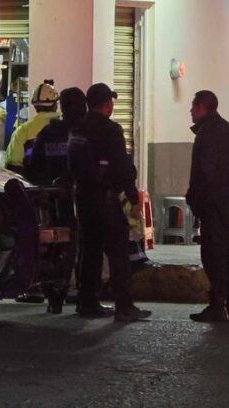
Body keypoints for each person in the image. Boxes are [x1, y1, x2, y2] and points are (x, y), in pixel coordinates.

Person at [69, 82, 151, 323]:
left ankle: (88, 302)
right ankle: (124, 306)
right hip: (106, 198)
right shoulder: (110, 129)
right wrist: (133, 195)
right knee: (118, 252)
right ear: (107, 103)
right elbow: (122, 166)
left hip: (84, 198)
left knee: (90, 251)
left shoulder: (77, 129)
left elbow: (72, 163)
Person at [24, 87, 87, 313]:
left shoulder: (48, 133)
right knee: (80, 247)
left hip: (51, 202)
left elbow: (32, 165)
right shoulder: (83, 132)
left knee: (55, 247)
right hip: (78, 200)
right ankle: (82, 295)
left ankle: (55, 296)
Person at [186, 90, 229, 323]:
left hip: (213, 205)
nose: (190, 111)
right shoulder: (227, 130)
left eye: (193, 106)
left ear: (201, 108)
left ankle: (218, 306)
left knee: (213, 255)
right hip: (226, 203)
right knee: (225, 255)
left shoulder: (208, 134)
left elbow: (205, 174)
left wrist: (196, 201)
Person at [5, 80, 60, 174]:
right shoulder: (69, 128)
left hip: (33, 185)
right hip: (65, 186)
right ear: (55, 105)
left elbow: (13, 166)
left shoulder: (22, 131)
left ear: (35, 106)